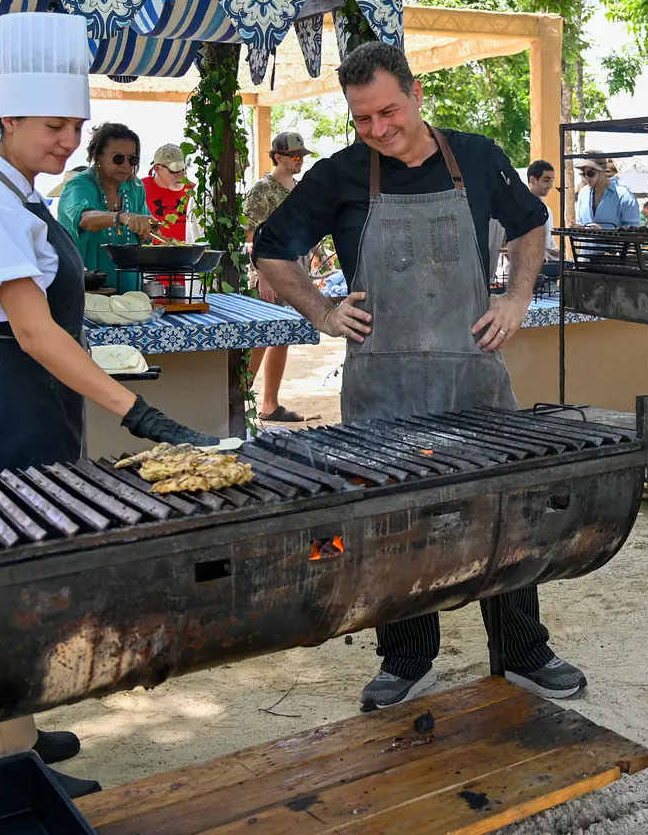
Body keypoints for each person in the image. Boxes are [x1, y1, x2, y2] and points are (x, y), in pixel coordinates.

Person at [0, 13, 216, 796]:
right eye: (54, 126)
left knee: (31, 562)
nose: (69, 141)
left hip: (33, 391)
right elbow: (31, 331)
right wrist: (138, 412)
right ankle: (5, 774)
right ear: (10, 120)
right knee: (5, 580)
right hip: (2, 396)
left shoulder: (18, 191)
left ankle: (20, 733)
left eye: (76, 127)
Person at [254, 40, 582, 711]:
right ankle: (407, 658)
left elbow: (531, 225)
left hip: (474, 381)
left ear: (417, 95)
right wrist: (321, 310)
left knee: (505, 514)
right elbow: (270, 250)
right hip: (383, 389)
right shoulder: (341, 174)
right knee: (393, 527)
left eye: (388, 112)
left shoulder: (479, 158)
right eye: (362, 119)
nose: (377, 129)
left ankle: (522, 650)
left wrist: (516, 297)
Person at [243, 130, 311, 423]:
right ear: (278, 157)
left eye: (301, 155)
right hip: (269, 274)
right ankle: (237, 398)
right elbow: (250, 235)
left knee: (283, 336)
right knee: (260, 337)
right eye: (294, 156)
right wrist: (263, 276)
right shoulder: (262, 189)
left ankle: (270, 404)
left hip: (295, 272)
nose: (299, 160)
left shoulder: (300, 189)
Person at [56, 122, 154, 291]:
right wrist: (121, 217)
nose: (126, 165)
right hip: (85, 292)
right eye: (118, 158)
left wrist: (147, 229)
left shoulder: (135, 187)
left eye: (133, 159)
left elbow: (145, 235)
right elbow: (85, 219)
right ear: (97, 156)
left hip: (130, 291)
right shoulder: (79, 186)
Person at [575, 154, 641, 228]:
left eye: (591, 173)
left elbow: (633, 231)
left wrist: (603, 231)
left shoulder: (625, 196)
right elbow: (579, 222)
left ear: (603, 171)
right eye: (583, 174)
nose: (586, 178)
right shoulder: (583, 193)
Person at [143, 143, 192, 241]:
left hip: (188, 250)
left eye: (184, 169)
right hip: (151, 250)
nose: (182, 176)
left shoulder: (193, 191)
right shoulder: (141, 190)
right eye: (174, 171)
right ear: (157, 169)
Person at [526, 160, 559, 262]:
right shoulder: (517, 207)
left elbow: (549, 242)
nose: (551, 186)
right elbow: (505, 244)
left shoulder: (547, 210)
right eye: (546, 180)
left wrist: (557, 253)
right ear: (533, 180)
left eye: (552, 181)